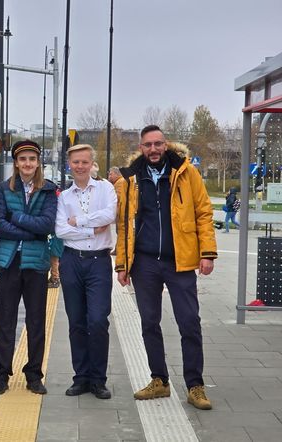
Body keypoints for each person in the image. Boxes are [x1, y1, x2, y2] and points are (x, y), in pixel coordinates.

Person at [114, 125, 217, 410]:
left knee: (189, 323)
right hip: (144, 263)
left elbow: (203, 212)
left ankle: (195, 385)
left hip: (180, 261)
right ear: (141, 147)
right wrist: (122, 264)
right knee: (149, 323)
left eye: (158, 144)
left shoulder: (186, 173)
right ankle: (159, 380)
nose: (154, 149)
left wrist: (207, 253)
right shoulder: (131, 179)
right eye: (148, 145)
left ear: (166, 144)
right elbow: (123, 225)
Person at [0, 140, 57, 396]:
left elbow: (47, 225)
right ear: (16, 163)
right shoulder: (2, 189)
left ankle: (33, 375)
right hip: (9, 262)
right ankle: (0, 375)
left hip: (36, 264)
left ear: (38, 163)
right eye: (23, 159)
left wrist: (16, 218)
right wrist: (32, 231)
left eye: (32, 159)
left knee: (36, 321)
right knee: (6, 320)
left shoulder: (49, 191)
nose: (27, 163)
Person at [56, 144, 117, 400]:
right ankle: (80, 377)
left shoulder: (106, 188)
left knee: (98, 321)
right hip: (71, 261)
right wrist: (91, 230)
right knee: (77, 322)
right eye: (75, 162)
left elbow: (109, 214)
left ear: (92, 163)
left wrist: (78, 221)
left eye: (84, 162)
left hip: (99, 263)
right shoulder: (63, 197)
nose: (80, 166)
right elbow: (60, 230)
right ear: (69, 165)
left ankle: (98, 379)